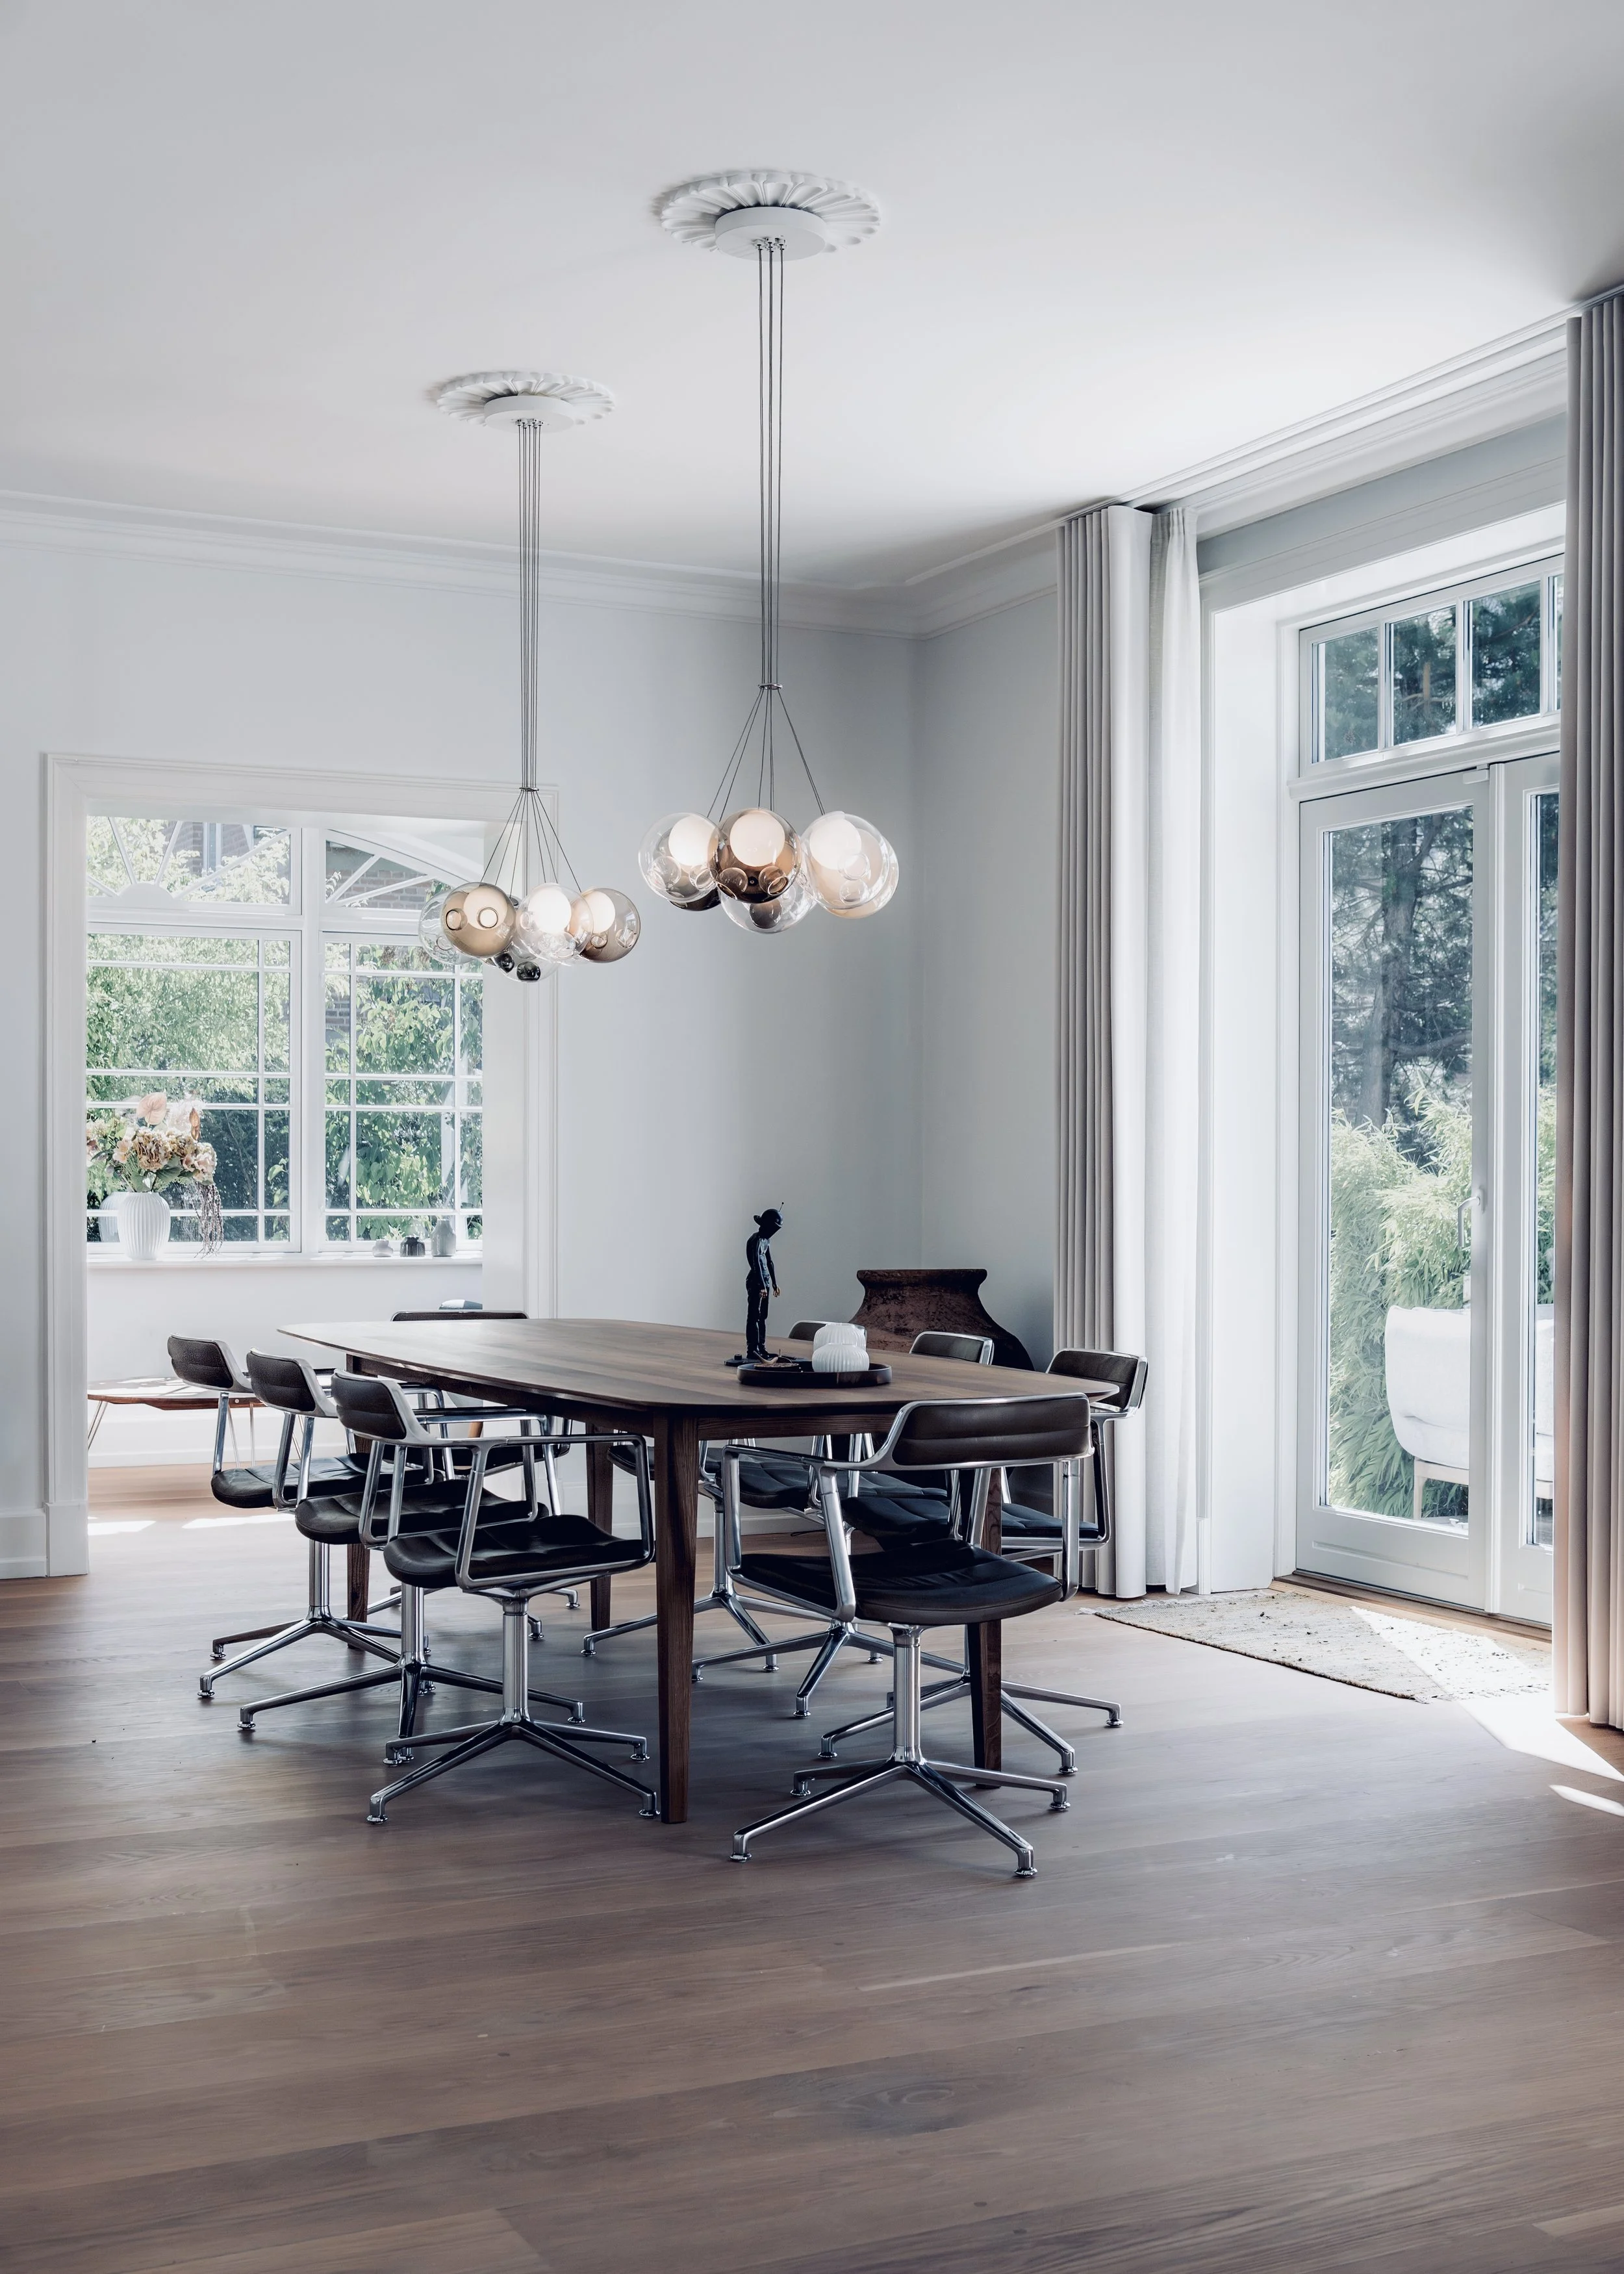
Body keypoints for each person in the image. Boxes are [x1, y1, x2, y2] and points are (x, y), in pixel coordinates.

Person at [743, 1207, 783, 1364]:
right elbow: (756, 1265)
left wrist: (774, 1283)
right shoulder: (756, 1240)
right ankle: (752, 1349)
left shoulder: (766, 1241)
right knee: (754, 1316)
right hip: (756, 1282)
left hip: (765, 1282)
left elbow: (769, 1262)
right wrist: (761, 1285)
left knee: (763, 1317)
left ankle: (761, 1347)